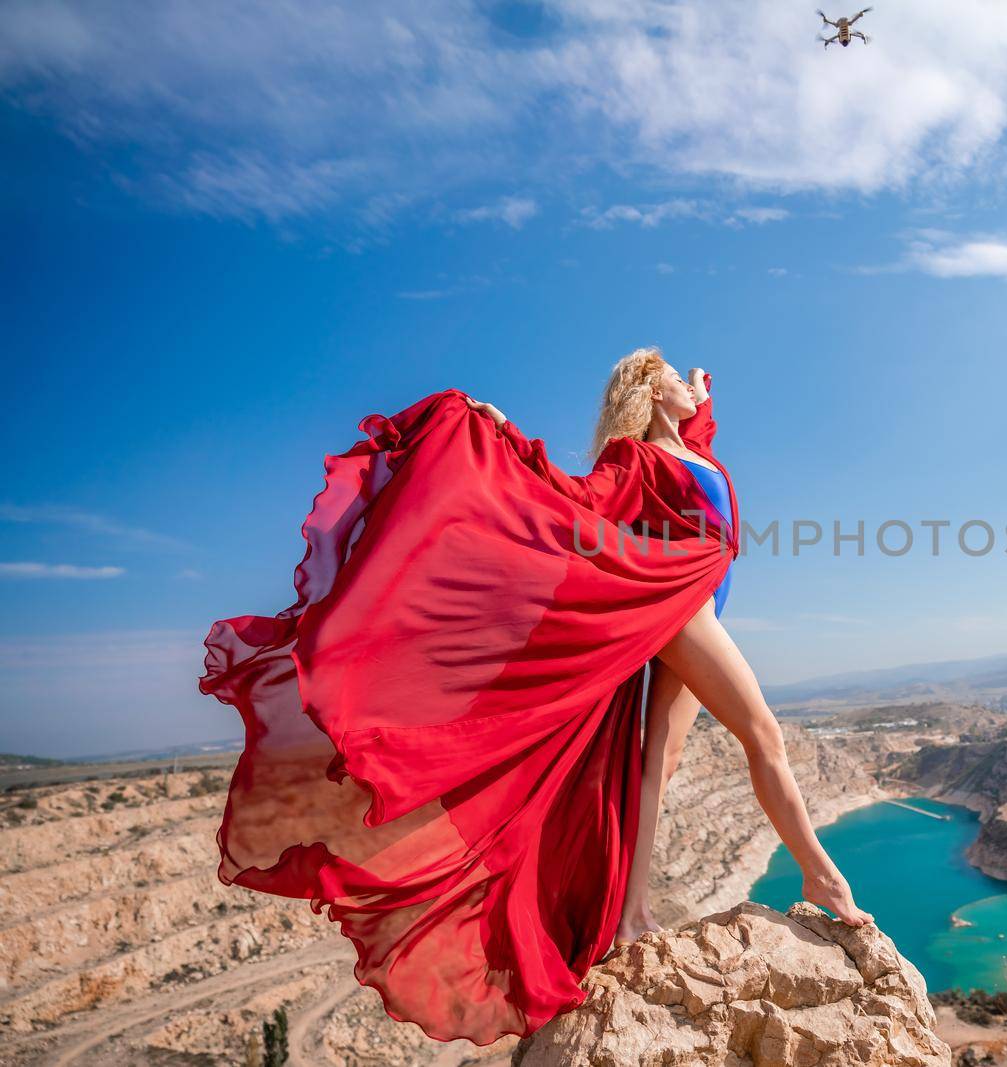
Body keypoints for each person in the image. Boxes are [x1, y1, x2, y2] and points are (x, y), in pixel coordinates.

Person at [198, 346, 868, 1047]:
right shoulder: (635, 459)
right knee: (763, 732)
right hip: (678, 607)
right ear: (650, 392)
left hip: (698, 609)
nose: (690, 390)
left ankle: (631, 913)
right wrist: (504, 432)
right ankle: (820, 875)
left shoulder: (690, 445)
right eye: (675, 379)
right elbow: (574, 493)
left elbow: (698, 436)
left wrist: (701, 393)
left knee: (655, 766)